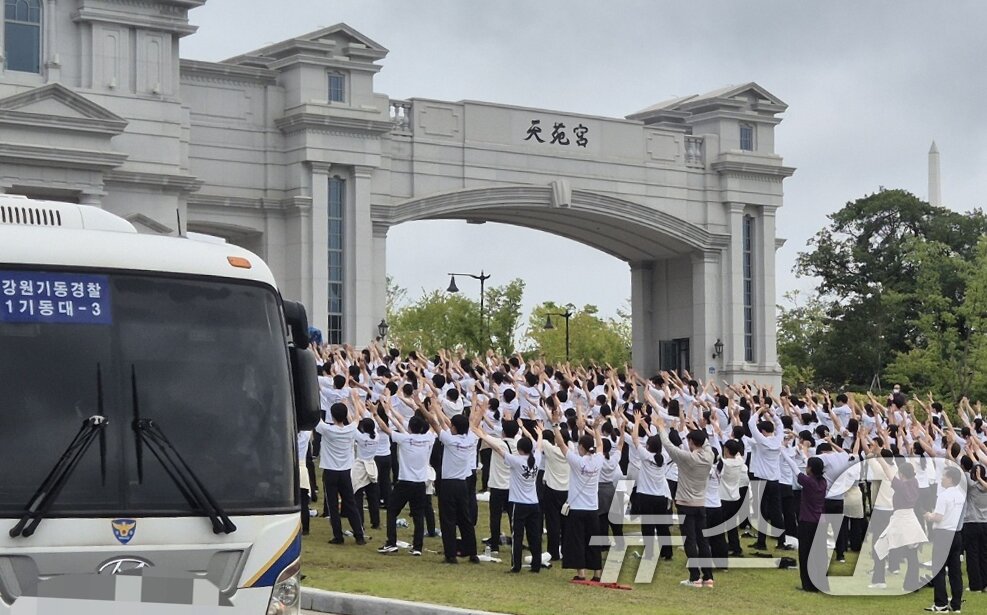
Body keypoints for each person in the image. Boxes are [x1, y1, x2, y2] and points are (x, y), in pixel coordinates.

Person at [655, 411, 715, 588]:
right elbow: (707, 443)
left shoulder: (687, 457)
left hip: (685, 504)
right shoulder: (709, 456)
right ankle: (708, 577)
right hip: (700, 503)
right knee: (703, 540)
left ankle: (695, 577)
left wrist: (660, 427)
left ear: (691, 443)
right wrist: (694, 428)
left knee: (690, 540)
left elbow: (667, 445)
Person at [476, 419, 544, 573]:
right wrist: (540, 434)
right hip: (534, 503)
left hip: (519, 504)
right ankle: (536, 565)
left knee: (517, 536)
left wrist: (483, 436)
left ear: (520, 449)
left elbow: (499, 450)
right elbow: (539, 446)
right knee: (534, 536)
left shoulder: (517, 460)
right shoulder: (536, 459)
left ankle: (516, 566)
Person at [374, 397, 436, 556]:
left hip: (405, 483)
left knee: (392, 510)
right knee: (418, 515)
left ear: (410, 427)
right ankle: (417, 547)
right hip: (420, 483)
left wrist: (375, 413)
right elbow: (434, 423)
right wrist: (428, 408)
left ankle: (391, 542)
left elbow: (385, 428)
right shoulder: (427, 438)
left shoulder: (404, 439)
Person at [428, 405, 483, 564]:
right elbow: (475, 422)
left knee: (448, 520)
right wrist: (481, 409)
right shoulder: (471, 438)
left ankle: (451, 555)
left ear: (455, 428)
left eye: (451, 425)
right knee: (465, 519)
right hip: (463, 485)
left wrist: (425, 407)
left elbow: (434, 422)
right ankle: (472, 553)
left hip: (448, 484)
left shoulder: (449, 440)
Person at [557, 413, 605, 582]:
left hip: (577, 508)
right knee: (593, 542)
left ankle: (581, 573)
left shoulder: (577, 462)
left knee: (578, 541)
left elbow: (561, 445)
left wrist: (555, 425)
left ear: (582, 448)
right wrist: (596, 429)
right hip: (592, 508)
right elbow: (599, 445)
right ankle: (597, 573)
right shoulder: (598, 460)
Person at [314, 396, 368, 545]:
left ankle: (338, 536)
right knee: (350, 503)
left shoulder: (327, 429)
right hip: (345, 472)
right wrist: (354, 402)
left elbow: (316, 419)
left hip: (331, 471)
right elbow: (357, 418)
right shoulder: (351, 429)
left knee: (332, 505)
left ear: (332, 416)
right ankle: (359, 536)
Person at [780, 438, 827, 592]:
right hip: (819, 522)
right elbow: (810, 465)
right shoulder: (822, 482)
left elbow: (794, 468)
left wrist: (782, 451)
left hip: (807, 522)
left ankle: (808, 585)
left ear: (810, 469)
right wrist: (803, 453)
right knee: (818, 554)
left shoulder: (809, 482)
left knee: (805, 554)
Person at [924, 466, 966, 613]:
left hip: (943, 534)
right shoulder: (960, 496)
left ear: (951, 479)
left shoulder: (944, 496)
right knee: (955, 571)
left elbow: (939, 517)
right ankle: (956, 604)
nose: (942, 478)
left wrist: (929, 516)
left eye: (944, 476)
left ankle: (941, 604)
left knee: (939, 570)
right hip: (956, 534)